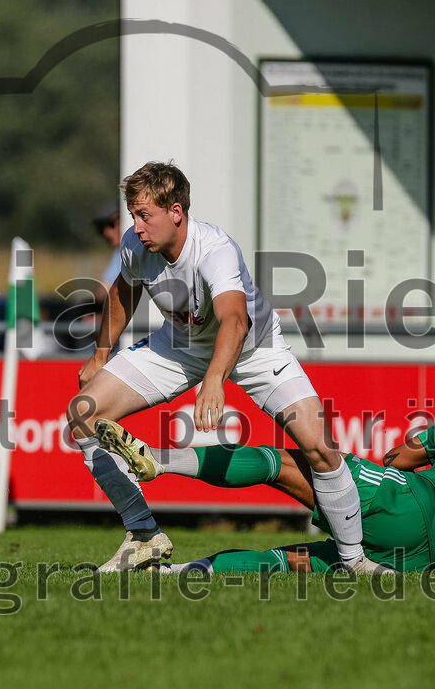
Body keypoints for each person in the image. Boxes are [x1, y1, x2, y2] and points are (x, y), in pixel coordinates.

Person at [67, 161, 371, 573]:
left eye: (145, 216)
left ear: (176, 211)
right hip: (180, 346)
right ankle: (143, 535)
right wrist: (101, 353)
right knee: (82, 413)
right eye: (133, 215)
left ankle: (355, 561)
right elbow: (125, 289)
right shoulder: (135, 246)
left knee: (319, 447)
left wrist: (214, 379)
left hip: (255, 349)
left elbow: (236, 321)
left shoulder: (215, 250)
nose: (136, 227)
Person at [98, 375, 435, 574]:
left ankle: (158, 460)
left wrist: (395, 470)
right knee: (294, 561)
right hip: (426, 567)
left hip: (410, 507)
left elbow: (402, 458)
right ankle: (168, 575)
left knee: (284, 462)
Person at [91, 203, 123, 304]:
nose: (106, 232)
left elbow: (102, 293)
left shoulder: (129, 250)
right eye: (101, 227)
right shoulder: (118, 252)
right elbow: (101, 292)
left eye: (111, 224)